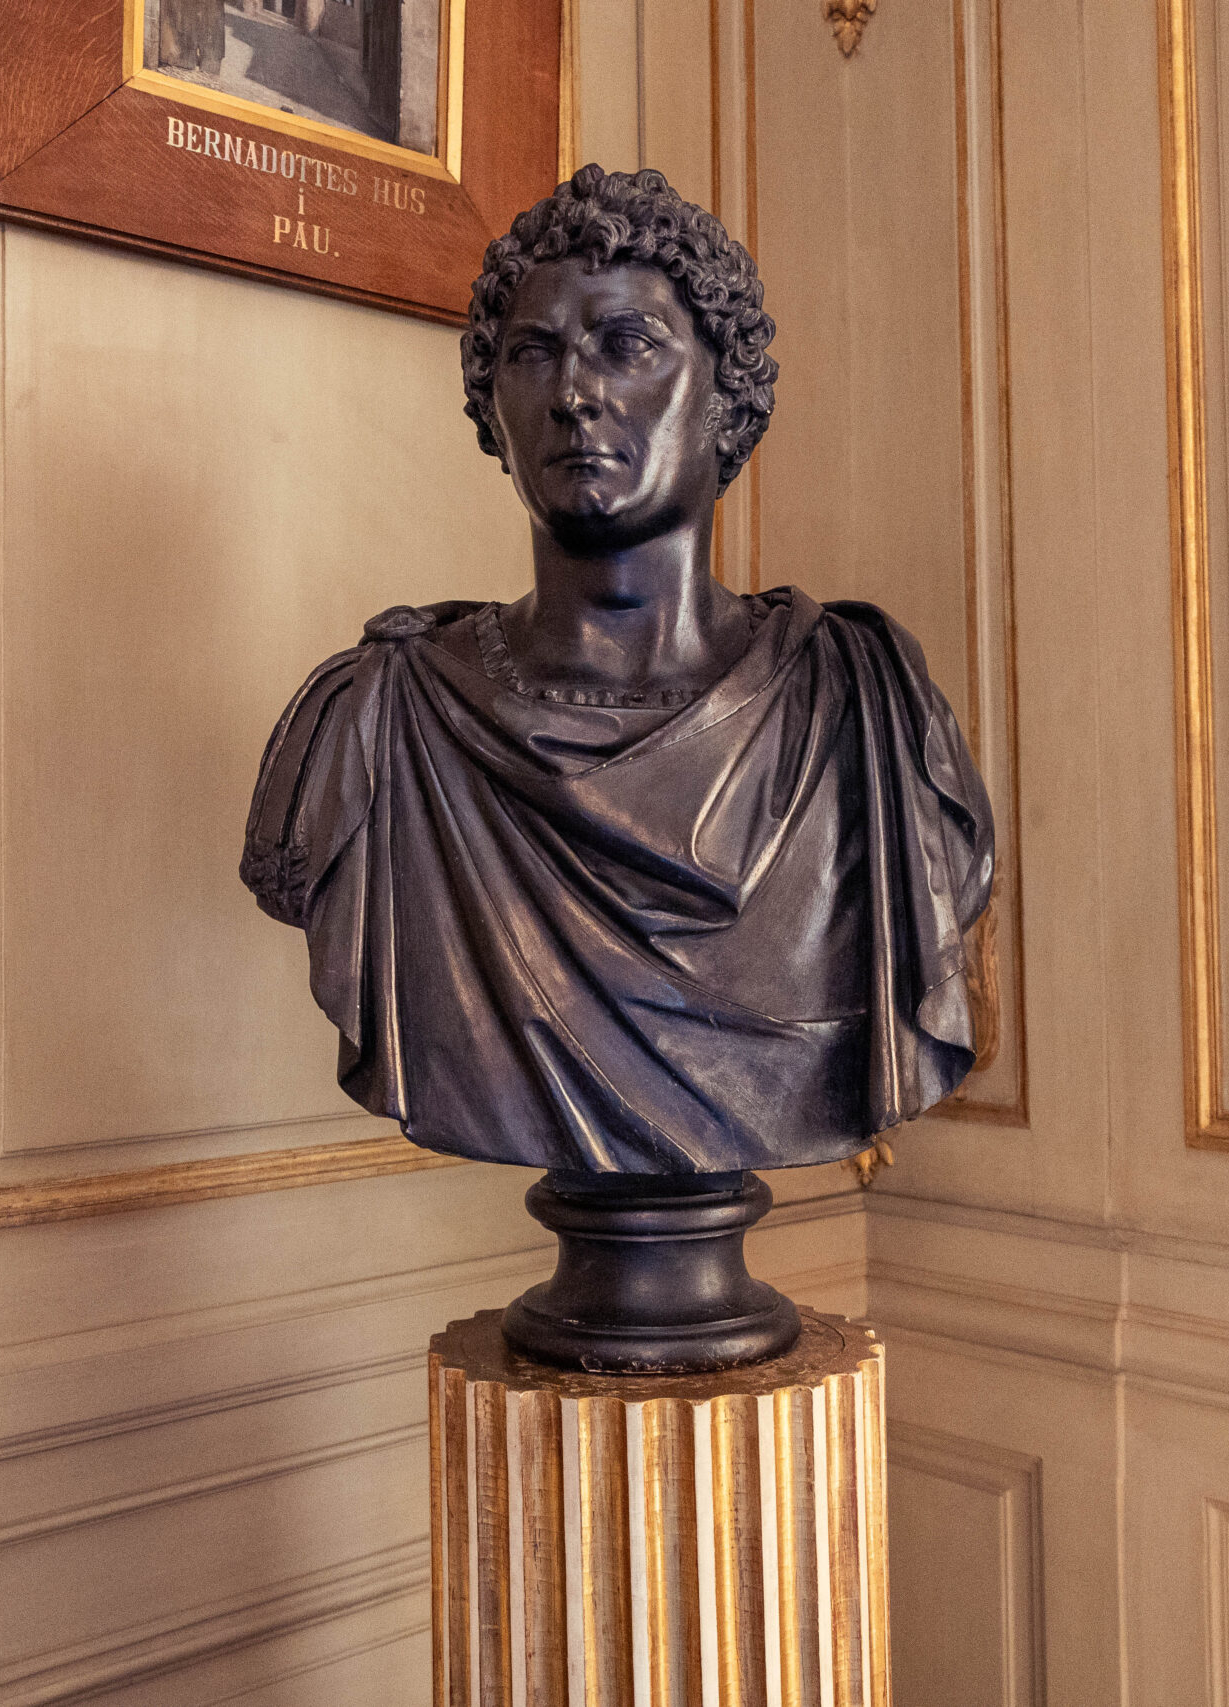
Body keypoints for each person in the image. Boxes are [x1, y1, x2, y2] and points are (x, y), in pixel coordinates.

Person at [241, 164, 994, 1179]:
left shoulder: (865, 711)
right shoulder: (378, 718)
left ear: (727, 398)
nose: (573, 393)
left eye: (627, 346)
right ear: (490, 410)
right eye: (533, 354)